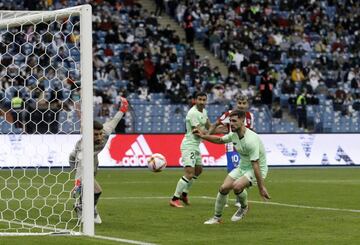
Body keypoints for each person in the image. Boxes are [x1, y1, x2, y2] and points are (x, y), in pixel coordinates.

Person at [193, 110, 270, 224]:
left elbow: (255, 165)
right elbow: (219, 140)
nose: (231, 124)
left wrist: (261, 187)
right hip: (242, 167)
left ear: (242, 121)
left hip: (256, 169)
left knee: (237, 186)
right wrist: (203, 136)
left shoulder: (251, 140)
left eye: (234, 121)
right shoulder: (234, 134)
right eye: (230, 121)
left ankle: (244, 207)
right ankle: (217, 218)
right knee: (223, 189)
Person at [69, 97, 129, 224]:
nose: (99, 137)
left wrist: (122, 109)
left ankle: (85, 207)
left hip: (93, 159)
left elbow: (115, 120)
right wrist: (77, 184)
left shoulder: (105, 131)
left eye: (100, 134)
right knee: (96, 190)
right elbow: (80, 166)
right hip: (77, 160)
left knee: (91, 187)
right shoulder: (84, 146)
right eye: (96, 135)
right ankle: (84, 208)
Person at [169, 91, 213, 208]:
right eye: (200, 99)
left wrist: (224, 130)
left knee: (198, 170)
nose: (202, 102)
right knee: (189, 173)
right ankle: (174, 199)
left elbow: (210, 127)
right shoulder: (193, 113)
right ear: (195, 100)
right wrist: (212, 133)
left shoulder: (204, 111)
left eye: (204, 100)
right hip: (189, 145)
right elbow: (200, 132)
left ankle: (184, 194)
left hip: (196, 146)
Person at [216, 95, 254, 207]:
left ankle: (237, 199)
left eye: (244, 103)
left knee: (241, 172)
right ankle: (226, 196)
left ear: (247, 104)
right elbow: (218, 124)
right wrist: (211, 132)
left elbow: (250, 131)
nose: (242, 105)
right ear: (236, 103)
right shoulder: (229, 114)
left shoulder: (250, 116)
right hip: (232, 146)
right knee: (231, 171)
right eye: (240, 103)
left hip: (244, 147)